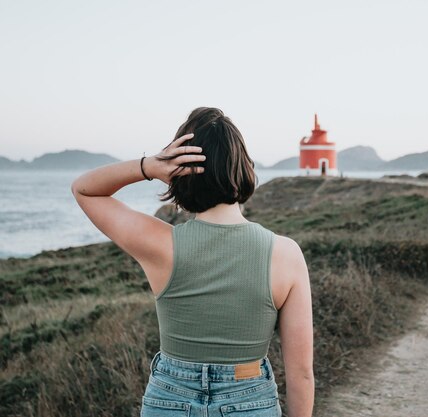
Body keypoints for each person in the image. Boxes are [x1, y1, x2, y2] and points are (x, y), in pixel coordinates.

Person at [71, 107, 314, 417]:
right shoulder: (286, 254)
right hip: (249, 399)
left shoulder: (161, 244)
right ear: (245, 169)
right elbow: (301, 374)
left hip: (169, 398)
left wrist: (149, 166)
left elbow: (84, 189)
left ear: (179, 174)